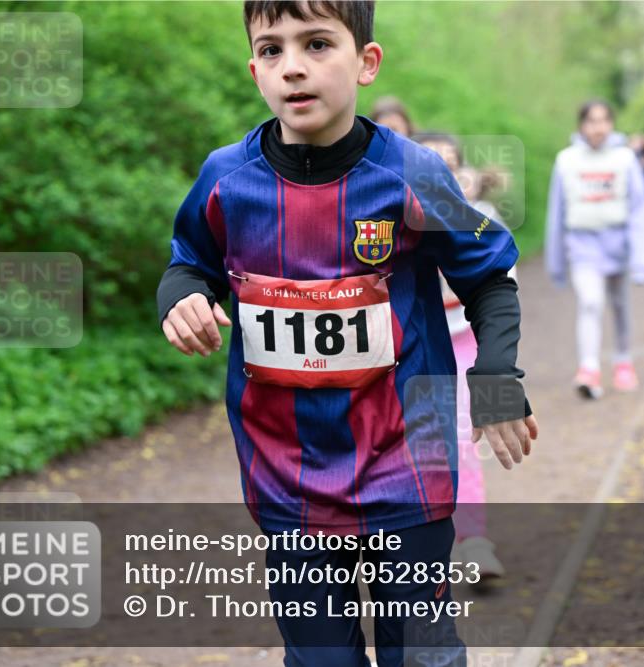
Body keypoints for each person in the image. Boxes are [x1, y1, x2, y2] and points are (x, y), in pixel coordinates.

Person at [155, 2, 538, 665]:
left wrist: (498, 374)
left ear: (366, 62)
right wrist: (184, 297)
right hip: (286, 476)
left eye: (317, 44)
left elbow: (489, 279)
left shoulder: (416, 172)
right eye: (272, 50)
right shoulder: (226, 177)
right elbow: (189, 263)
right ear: (254, 69)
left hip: (407, 466)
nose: (293, 67)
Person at [415, 130, 511, 580]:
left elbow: (500, 286)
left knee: (462, 438)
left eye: (450, 165)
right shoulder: (389, 219)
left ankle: (472, 539)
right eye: (431, 165)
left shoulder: (478, 217)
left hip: (464, 338)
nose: (442, 174)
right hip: (410, 346)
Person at [545, 100, 644, 399]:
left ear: (612, 124)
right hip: (582, 246)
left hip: (617, 246)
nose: (598, 127)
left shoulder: (625, 159)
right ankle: (589, 367)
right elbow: (556, 214)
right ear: (581, 125)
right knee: (591, 302)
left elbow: (640, 210)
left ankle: (623, 360)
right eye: (592, 121)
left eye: (604, 120)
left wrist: (642, 261)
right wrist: (556, 265)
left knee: (619, 304)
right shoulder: (566, 160)